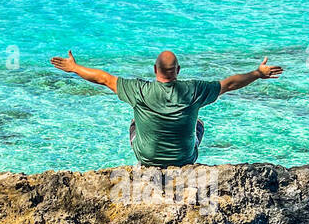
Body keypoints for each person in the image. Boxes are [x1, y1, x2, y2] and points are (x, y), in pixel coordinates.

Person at [49, 48, 283, 167]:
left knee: (134, 123)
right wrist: (257, 73)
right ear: (178, 71)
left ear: (154, 69)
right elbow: (229, 84)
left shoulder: (139, 91)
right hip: (184, 158)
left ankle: (147, 161)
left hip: (148, 158)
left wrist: (74, 68)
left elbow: (103, 78)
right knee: (198, 124)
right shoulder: (194, 90)